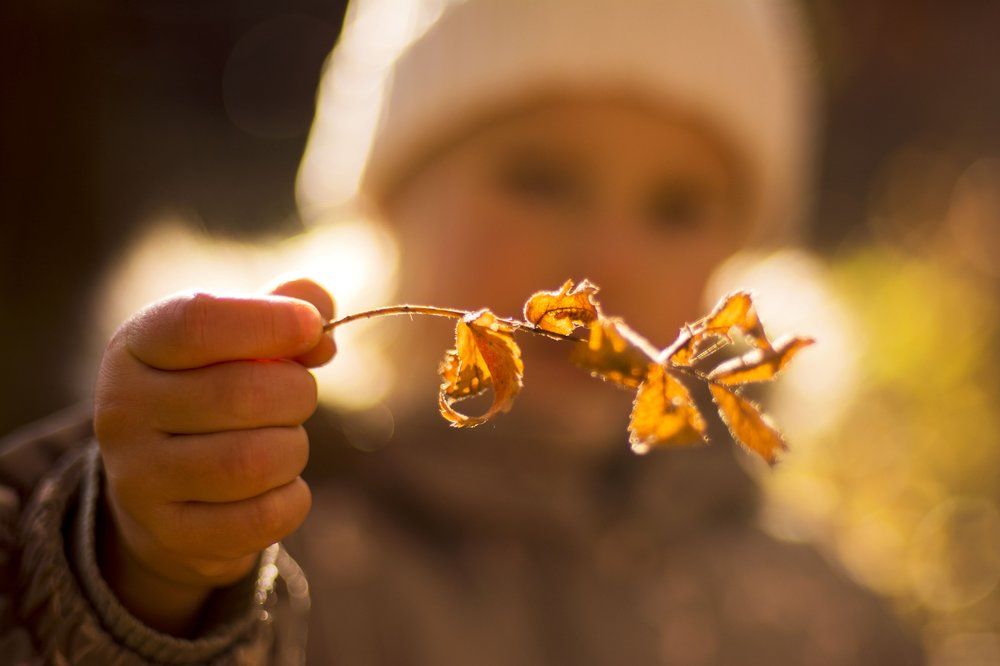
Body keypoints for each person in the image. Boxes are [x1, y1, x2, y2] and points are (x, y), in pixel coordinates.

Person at [0, 0, 923, 663]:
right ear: (387, 204)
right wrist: (151, 570)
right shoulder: (280, 547)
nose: (608, 260)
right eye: (540, 177)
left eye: (677, 206)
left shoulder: (817, 619)